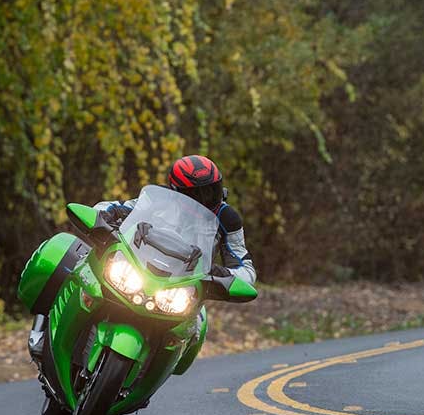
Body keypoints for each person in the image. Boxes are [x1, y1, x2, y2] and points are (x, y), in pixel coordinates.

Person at [28, 154, 256, 360]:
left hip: (179, 285)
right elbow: (115, 207)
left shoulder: (227, 219)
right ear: (177, 192)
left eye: (212, 190)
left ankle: (150, 373)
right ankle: (42, 329)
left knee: (196, 327)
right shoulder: (159, 199)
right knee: (67, 256)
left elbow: (245, 267)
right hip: (136, 267)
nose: (207, 199)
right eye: (197, 194)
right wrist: (106, 216)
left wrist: (224, 274)